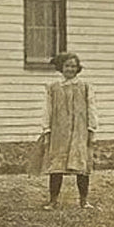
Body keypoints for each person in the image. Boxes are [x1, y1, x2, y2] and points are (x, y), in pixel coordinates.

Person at [40, 51, 98, 210]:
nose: (70, 69)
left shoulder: (86, 87)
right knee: (56, 166)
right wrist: (47, 130)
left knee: (82, 166)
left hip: (80, 131)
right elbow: (48, 110)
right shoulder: (52, 88)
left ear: (78, 68)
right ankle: (53, 201)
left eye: (73, 66)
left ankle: (84, 200)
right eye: (67, 66)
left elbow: (91, 108)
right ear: (61, 67)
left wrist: (92, 129)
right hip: (59, 132)